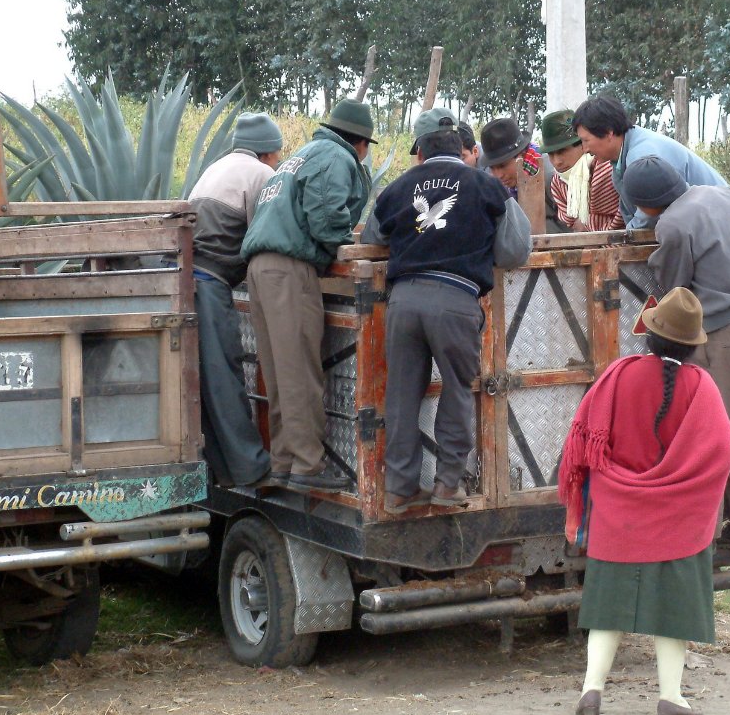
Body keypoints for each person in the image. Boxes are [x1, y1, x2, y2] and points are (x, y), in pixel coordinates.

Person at [558, 286, 730, 715]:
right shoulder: (701, 386)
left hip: (618, 514)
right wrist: (684, 486)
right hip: (678, 519)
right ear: (692, 344)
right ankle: (671, 699)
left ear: (651, 336)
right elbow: (723, 450)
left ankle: (591, 692)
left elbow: (581, 440)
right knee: (674, 611)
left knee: (606, 608)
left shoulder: (620, 374)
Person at [361, 108, 531, 515]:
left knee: (402, 394)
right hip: (455, 301)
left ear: (419, 155)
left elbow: (372, 237)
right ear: (465, 152)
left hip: (403, 301)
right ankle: (447, 484)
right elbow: (513, 252)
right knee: (457, 390)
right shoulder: (486, 186)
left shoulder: (399, 188)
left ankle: (399, 488)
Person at [622, 155, 730, 553]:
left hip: (723, 336)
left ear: (644, 203)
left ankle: (699, 537)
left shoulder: (673, 224)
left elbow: (676, 291)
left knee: (706, 439)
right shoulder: (722, 193)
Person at [240, 99, 373, 493]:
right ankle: (308, 466)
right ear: (361, 143)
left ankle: (283, 460)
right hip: (288, 270)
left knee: (279, 371)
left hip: (260, 268)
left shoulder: (299, 156)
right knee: (299, 370)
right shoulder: (336, 157)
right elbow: (328, 213)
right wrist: (341, 246)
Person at [187, 111, 280, 487]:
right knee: (225, 377)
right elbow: (273, 232)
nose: (277, 161)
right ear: (266, 153)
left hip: (183, 279)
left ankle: (219, 471)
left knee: (200, 382)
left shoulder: (217, 167)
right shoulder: (262, 176)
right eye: (276, 154)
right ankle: (252, 468)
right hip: (209, 283)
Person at [571, 94, 726, 230]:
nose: (584, 149)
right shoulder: (621, 159)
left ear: (608, 132)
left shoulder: (642, 157)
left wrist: (628, 237)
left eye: (586, 140)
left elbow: (651, 213)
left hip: (720, 221)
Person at [538, 109, 624, 232]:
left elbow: (626, 212)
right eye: (551, 154)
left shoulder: (606, 169)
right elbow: (572, 223)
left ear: (582, 145)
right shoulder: (557, 183)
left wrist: (588, 223)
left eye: (562, 151)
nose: (557, 161)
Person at [479, 117, 567, 234]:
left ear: (521, 155)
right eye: (492, 168)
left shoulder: (551, 176)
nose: (498, 175)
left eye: (502, 166)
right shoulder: (501, 187)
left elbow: (571, 225)